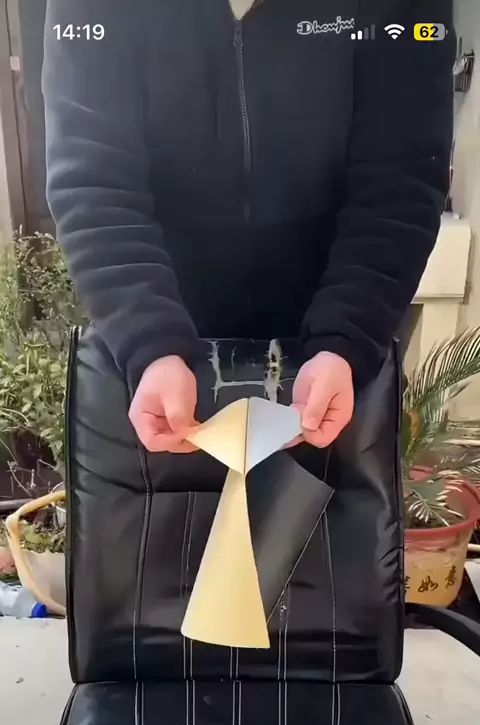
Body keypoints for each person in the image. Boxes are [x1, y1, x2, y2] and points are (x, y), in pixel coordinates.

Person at [42, 0, 454, 453]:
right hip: (159, 361)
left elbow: (401, 179)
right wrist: (151, 342)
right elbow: (94, 181)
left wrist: (346, 339)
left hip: (332, 363)